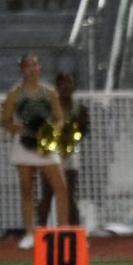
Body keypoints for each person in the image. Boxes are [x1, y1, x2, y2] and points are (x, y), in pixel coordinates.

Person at [1, 53, 69, 248]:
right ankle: (30, 233)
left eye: (36, 64)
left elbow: (59, 118)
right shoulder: (15, 93)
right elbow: (5, 122)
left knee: (61, 187)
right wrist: (23, 129)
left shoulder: (49, 92)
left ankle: (64, 231)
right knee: (27, 189)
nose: (33, 68)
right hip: (24, 145)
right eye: (28, 65)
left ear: (40, 68)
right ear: (22, 69)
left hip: (46, 144)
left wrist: (49, 133)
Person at [36, 71, 86, 227]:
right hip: (51, 155)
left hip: (70, 154)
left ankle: (74, 232)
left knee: (69, 195)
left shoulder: (80, 109)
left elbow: (83, 130)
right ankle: (40, 230)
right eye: (64, 83)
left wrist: (69, 145)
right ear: (57, 87)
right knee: (48, 194)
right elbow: (42, 129)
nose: (67, 86)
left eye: (69, 83)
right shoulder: (48, 108)